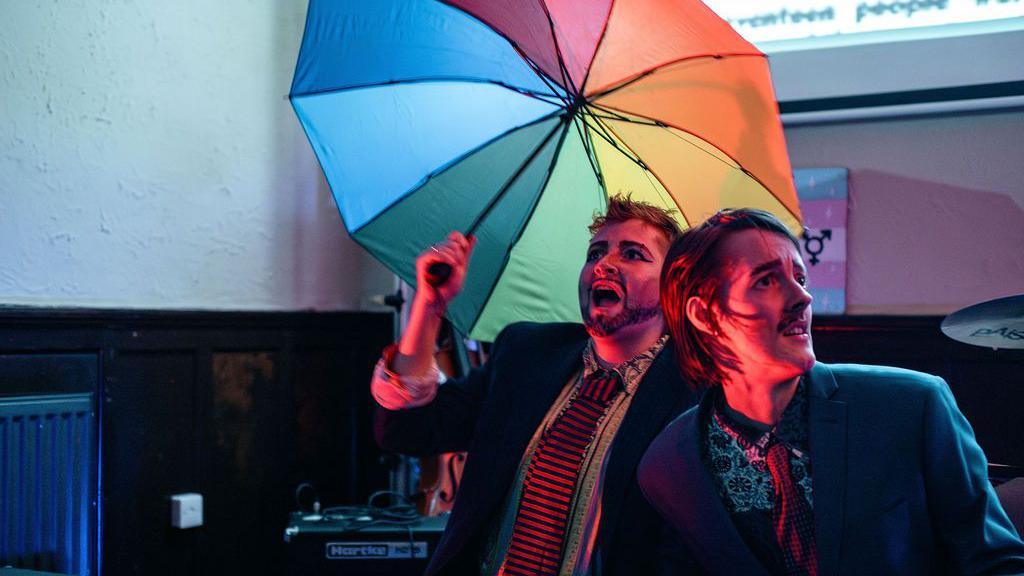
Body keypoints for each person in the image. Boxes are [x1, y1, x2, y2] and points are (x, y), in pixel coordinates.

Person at [638, 207, 1024, 575]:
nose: (803, 297)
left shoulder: (913, 406)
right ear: (703, 314)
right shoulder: (668, 464)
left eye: (800, 278)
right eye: (766, 280)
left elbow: (996, 563)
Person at [371, 196, 698, 575]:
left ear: (673, 285)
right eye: (595, 253)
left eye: (633, 254)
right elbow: (406, 429)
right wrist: (430, 306)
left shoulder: (693, 393)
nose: (604, 265)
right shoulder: (527, 355)